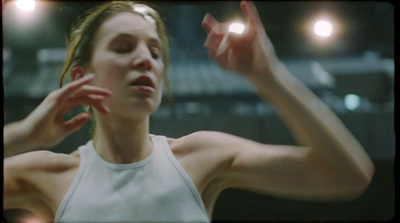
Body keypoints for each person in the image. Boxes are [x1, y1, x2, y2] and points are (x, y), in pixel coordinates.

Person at [3, 1, 375, 222]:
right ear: (82, 77)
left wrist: (270, 76)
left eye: (154, 52)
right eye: (122, 47)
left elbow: (347, 175)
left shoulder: (201, 155)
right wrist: (23, 135)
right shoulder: (48, 173)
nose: (144, 60)